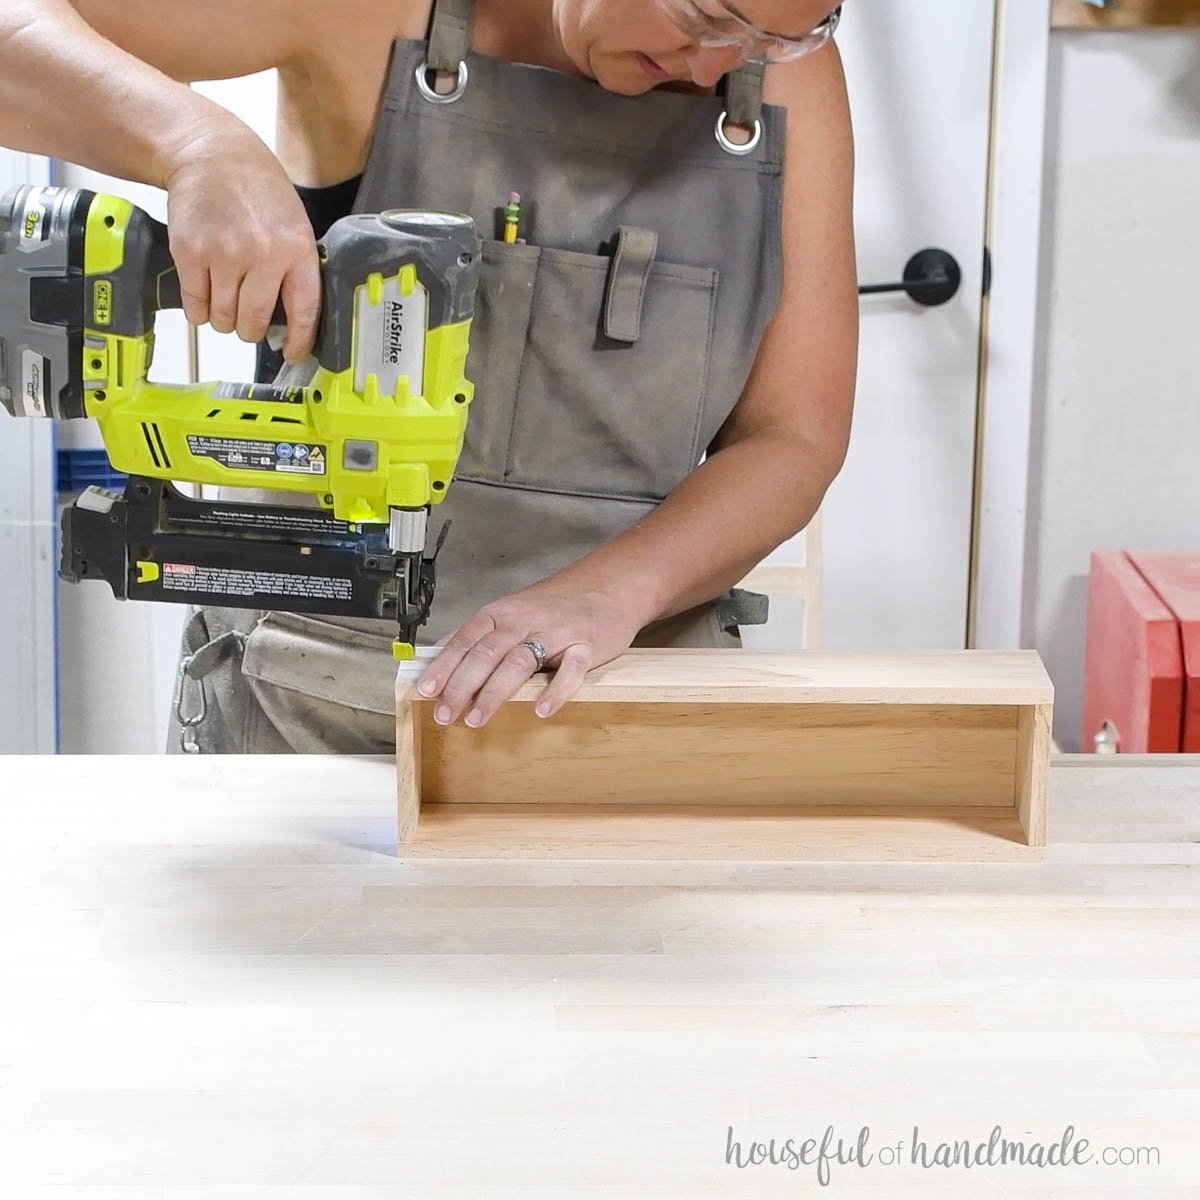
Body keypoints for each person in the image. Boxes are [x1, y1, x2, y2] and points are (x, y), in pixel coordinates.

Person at [1, 0, 858, 752]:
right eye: (703, 18)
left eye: (764, 43)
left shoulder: (786, 75)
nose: (715, 65)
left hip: (616, 684)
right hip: (314, 689)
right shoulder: (377, 11)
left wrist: (611, 594)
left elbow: (794, 436)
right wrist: (196, 143)